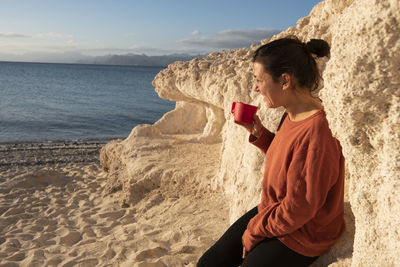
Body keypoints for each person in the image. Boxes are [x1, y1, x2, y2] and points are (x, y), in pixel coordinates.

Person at [197, 37, 345, 267]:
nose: (255, 87)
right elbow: (294, 161)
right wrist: (262, 136)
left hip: (304, 231)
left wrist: (254, 231)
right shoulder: (293, 112)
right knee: (209, 263)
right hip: (276, 210)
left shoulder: (318, 131)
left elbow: (300, 208)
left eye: (258, 79)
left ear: (285, 80)